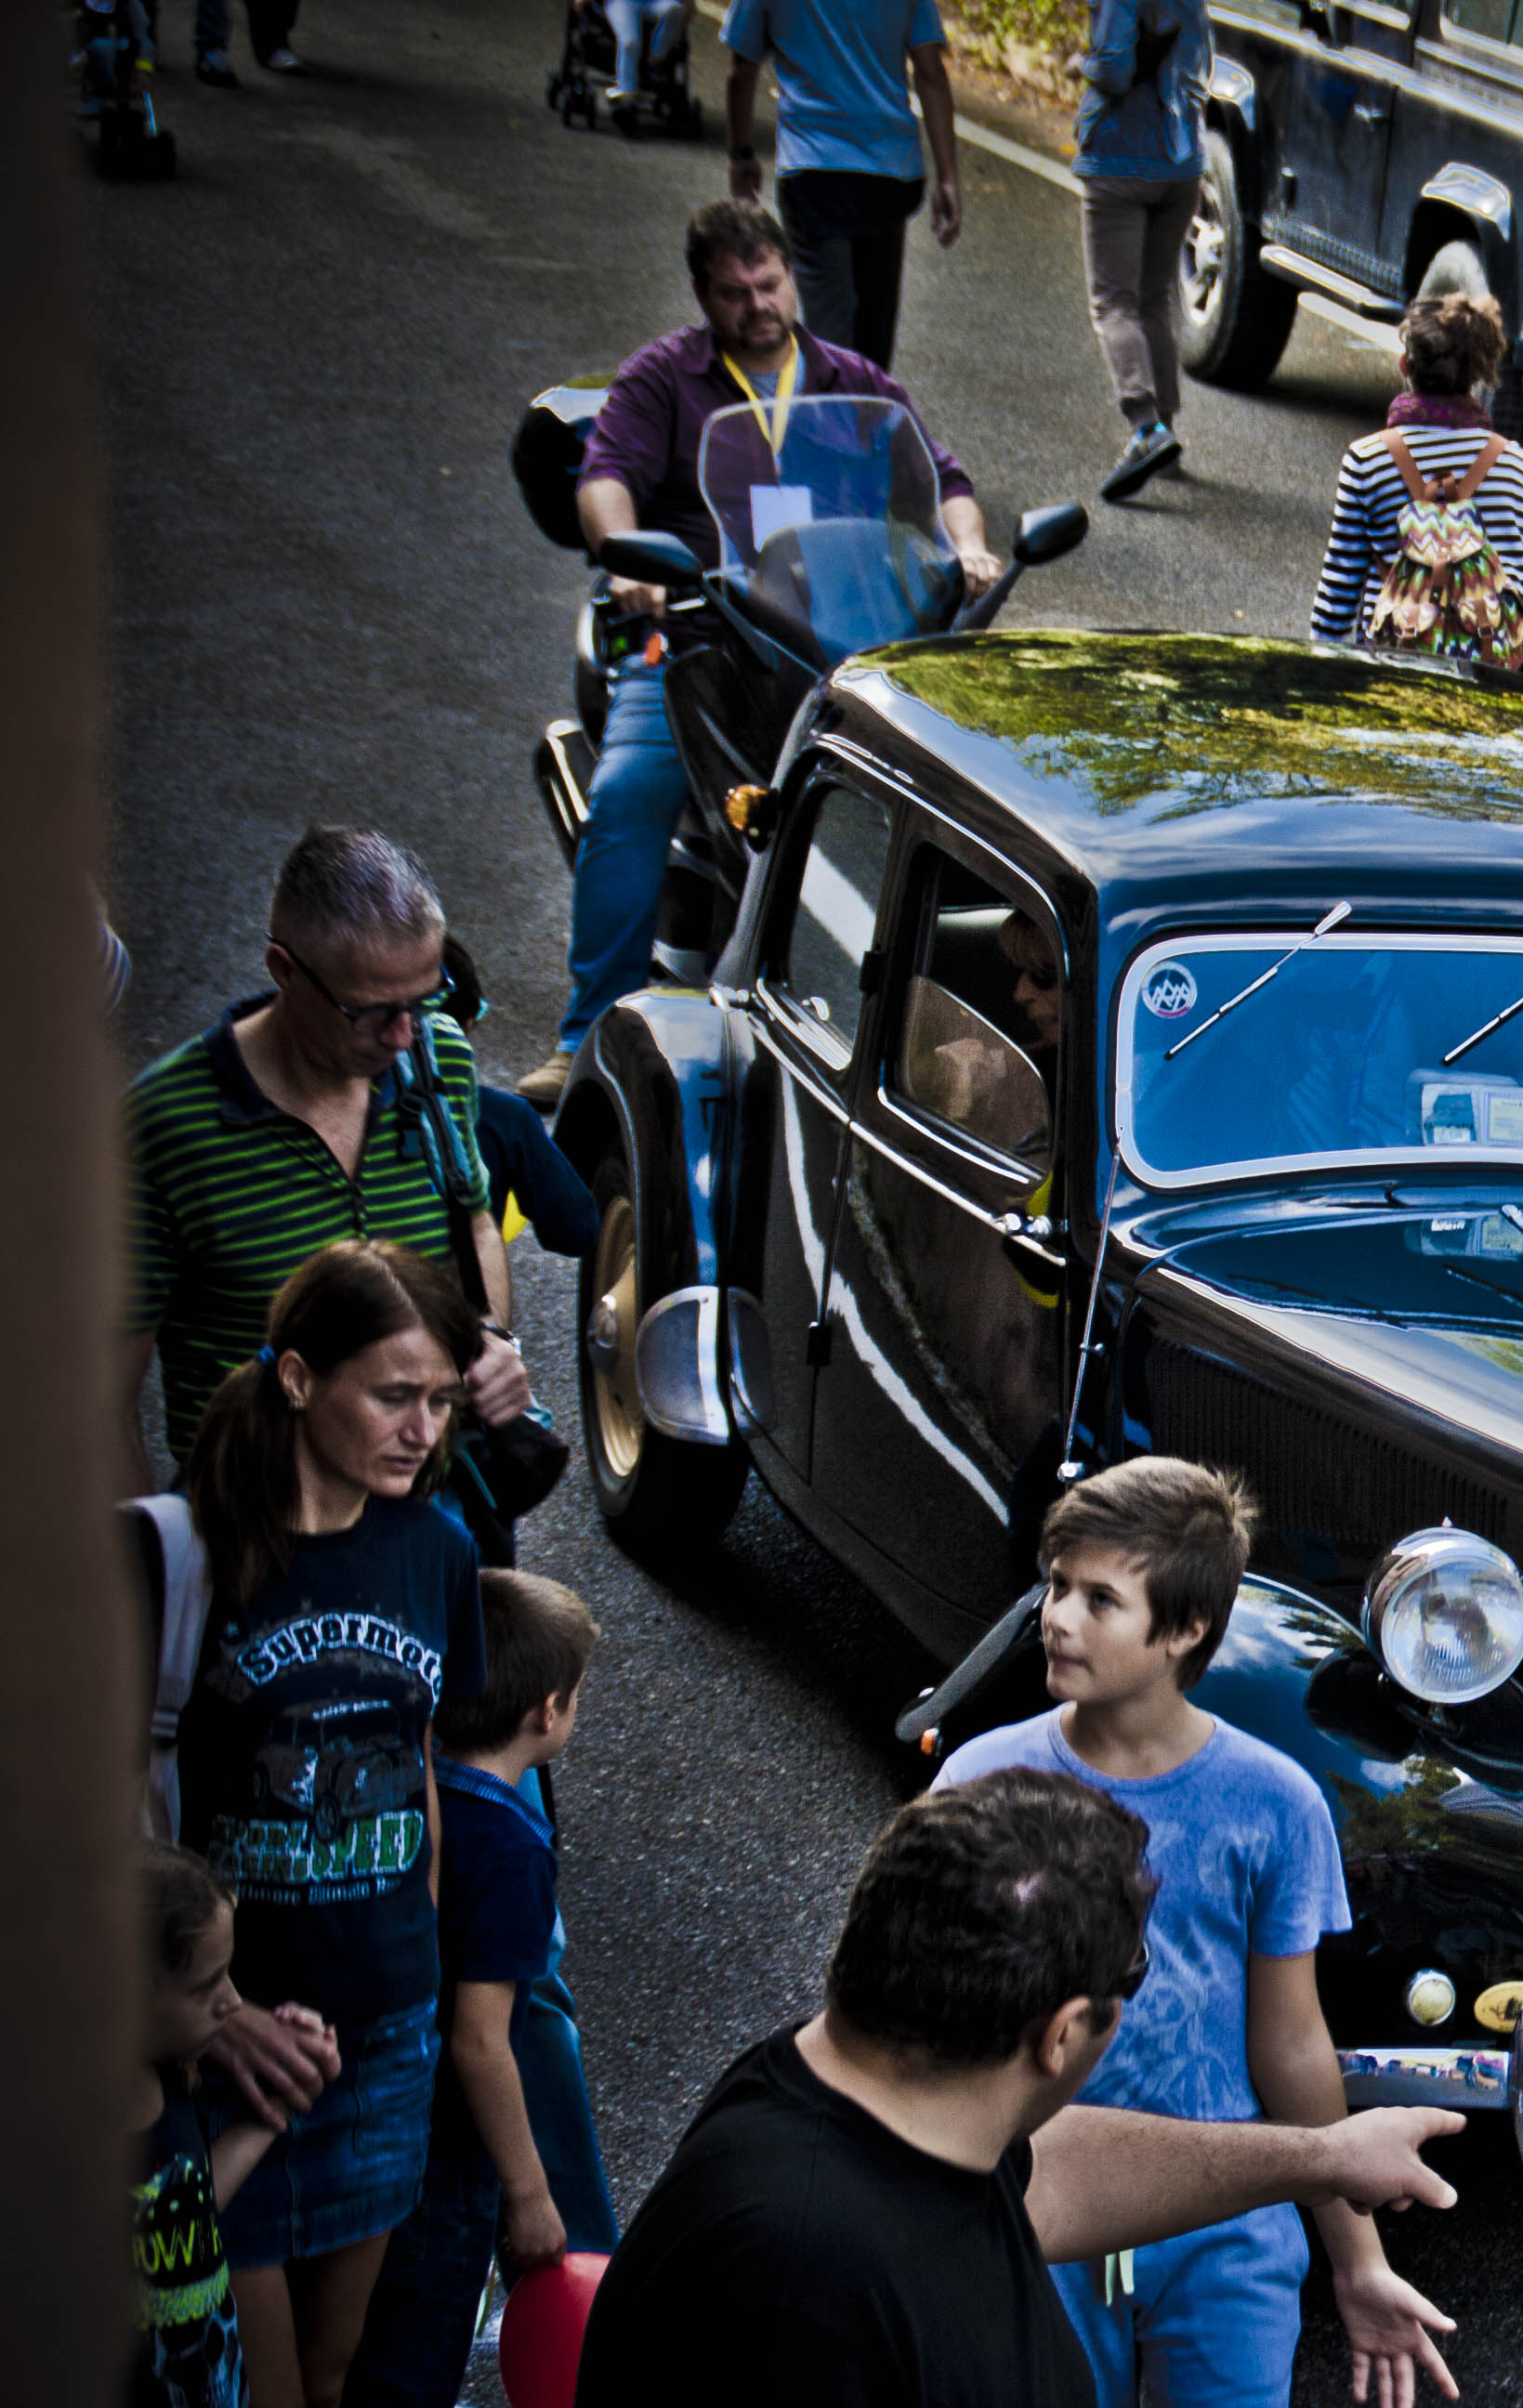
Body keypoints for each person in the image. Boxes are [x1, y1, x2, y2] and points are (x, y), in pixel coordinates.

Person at [573, 1773, 1463, 2408]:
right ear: (1064, 2033)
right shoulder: (798, 2296)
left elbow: (1045, 2176)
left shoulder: (876, 2096)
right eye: (1136, 1972)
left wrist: (1325, 2157)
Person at [939, 1460, 1458, 2408]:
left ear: (1184, 1630)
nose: (1056, 1616)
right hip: (1037, 2207)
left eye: (1100, 1599)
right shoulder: (982, 1779)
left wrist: (1356, 2259)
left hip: (1227, 2222)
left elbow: (1291, 2042)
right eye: (1056, 1586)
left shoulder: (1276, 1803)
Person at [535, 200, 1000, 1106]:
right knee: (630, 794)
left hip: (834, 644)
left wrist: (967, 547)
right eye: (734, 291)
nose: (757, 304)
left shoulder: (854, 381)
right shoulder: (662, 380)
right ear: (703, 295)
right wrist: (623, 557)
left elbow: (942, 482)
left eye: (770, 283)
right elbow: (606, 481)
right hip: (702, 642)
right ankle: (583, 1032)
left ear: (792, 275)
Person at [172, 1242, 492, 2408]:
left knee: (331, 2366)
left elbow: (420, 1764)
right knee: (249, 2380)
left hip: (385, 2029)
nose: (422, 1429)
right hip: (235, 2041)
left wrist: (429, 1970)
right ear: (300, 1380)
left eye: (443, 1401)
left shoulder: (439, 1549)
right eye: (394, 1396)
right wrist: (209, 2018)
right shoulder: (193, 1555)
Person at [122, 831, 532, 1498]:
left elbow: (476, 1222)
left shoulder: (438, 1055)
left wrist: (489, 1336)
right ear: (284, 970)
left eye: (425, 998)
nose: (403, 1035)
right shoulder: (163, 1128)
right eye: (371, 1011)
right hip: (255, 1530)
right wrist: (156, 1566)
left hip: (429, 1502)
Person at [339, 1573, 601, 2408]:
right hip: (445, 2156)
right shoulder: (514, 1851)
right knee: (413, 2361)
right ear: (547, 1711)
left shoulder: (407, 1798)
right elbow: (481, 2038)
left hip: (363, 2116)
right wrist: (529, 2195)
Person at [134, 1840, 329, 2408]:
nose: (233, 2001)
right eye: (206, 1986)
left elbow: (186, 2206)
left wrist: (275, 2111)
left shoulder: (168, 2077)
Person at [1307, 294, 1523, 679]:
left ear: (1404, 366)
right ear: (1477, 375)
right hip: (1497, 676)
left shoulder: (1367, 460)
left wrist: (1323, 683)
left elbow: (1336, 601)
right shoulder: (1515, 464)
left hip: (1395, 673)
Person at [721, 0, 962, 368]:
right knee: (873, 341)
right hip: (890, 173)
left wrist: (741, 153)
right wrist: (948, 175)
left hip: (814, 170)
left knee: (829, 335)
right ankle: (867, 413)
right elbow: (930, 71)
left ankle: (832, 412)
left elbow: (742, 67)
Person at [1071, 0, 1211, 504]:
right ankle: (1167, 437)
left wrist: (1081, 65)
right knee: (1154, 299)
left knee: (1113, 302)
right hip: (1181, 159)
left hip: (1119, 156)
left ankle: (1145, 426)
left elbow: (1112, 66)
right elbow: (1199, 65)